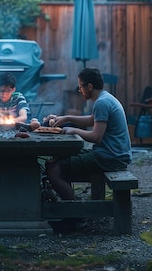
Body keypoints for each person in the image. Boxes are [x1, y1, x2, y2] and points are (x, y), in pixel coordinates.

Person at [46, 67, 132, 201]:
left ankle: (74, 212)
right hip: (112, 154)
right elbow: (93, 119)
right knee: (60, 158)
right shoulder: (105, 98)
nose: (80, 91)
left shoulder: (102, 103)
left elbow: (96, 137)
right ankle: (70, 203)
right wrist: (66, 118)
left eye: (81, 87)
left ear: (90, 86)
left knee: (54, 170)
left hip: (110, 158)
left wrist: (73, 130)